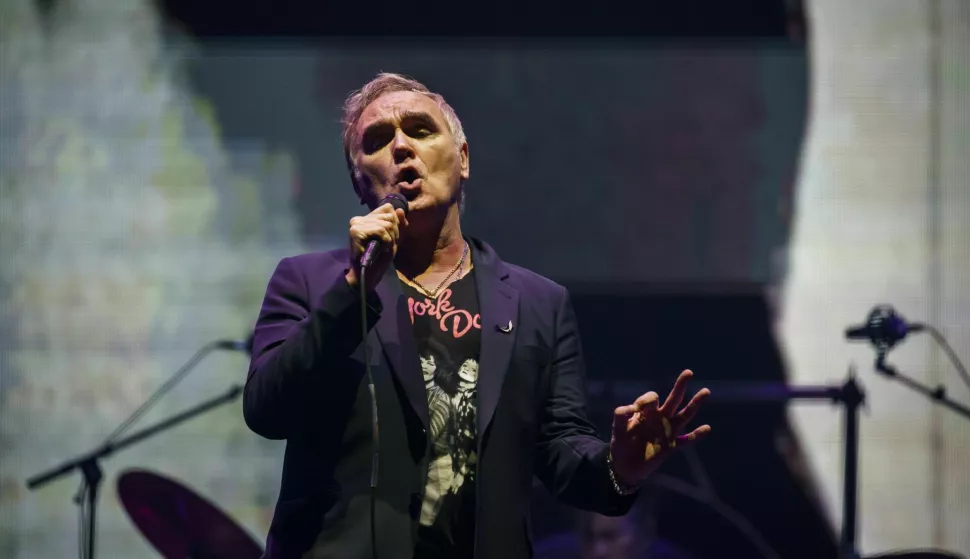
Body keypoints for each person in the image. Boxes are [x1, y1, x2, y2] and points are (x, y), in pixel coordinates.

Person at [244, 72, 712, 559]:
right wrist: (351, 291)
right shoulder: (309, 283)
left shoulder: (538, 303)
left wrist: (621, 465)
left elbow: (562, 452)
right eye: (378, 140)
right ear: (360, 181)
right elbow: (267, 409)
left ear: (462, 161)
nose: (402, 147)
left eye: (421, 130)